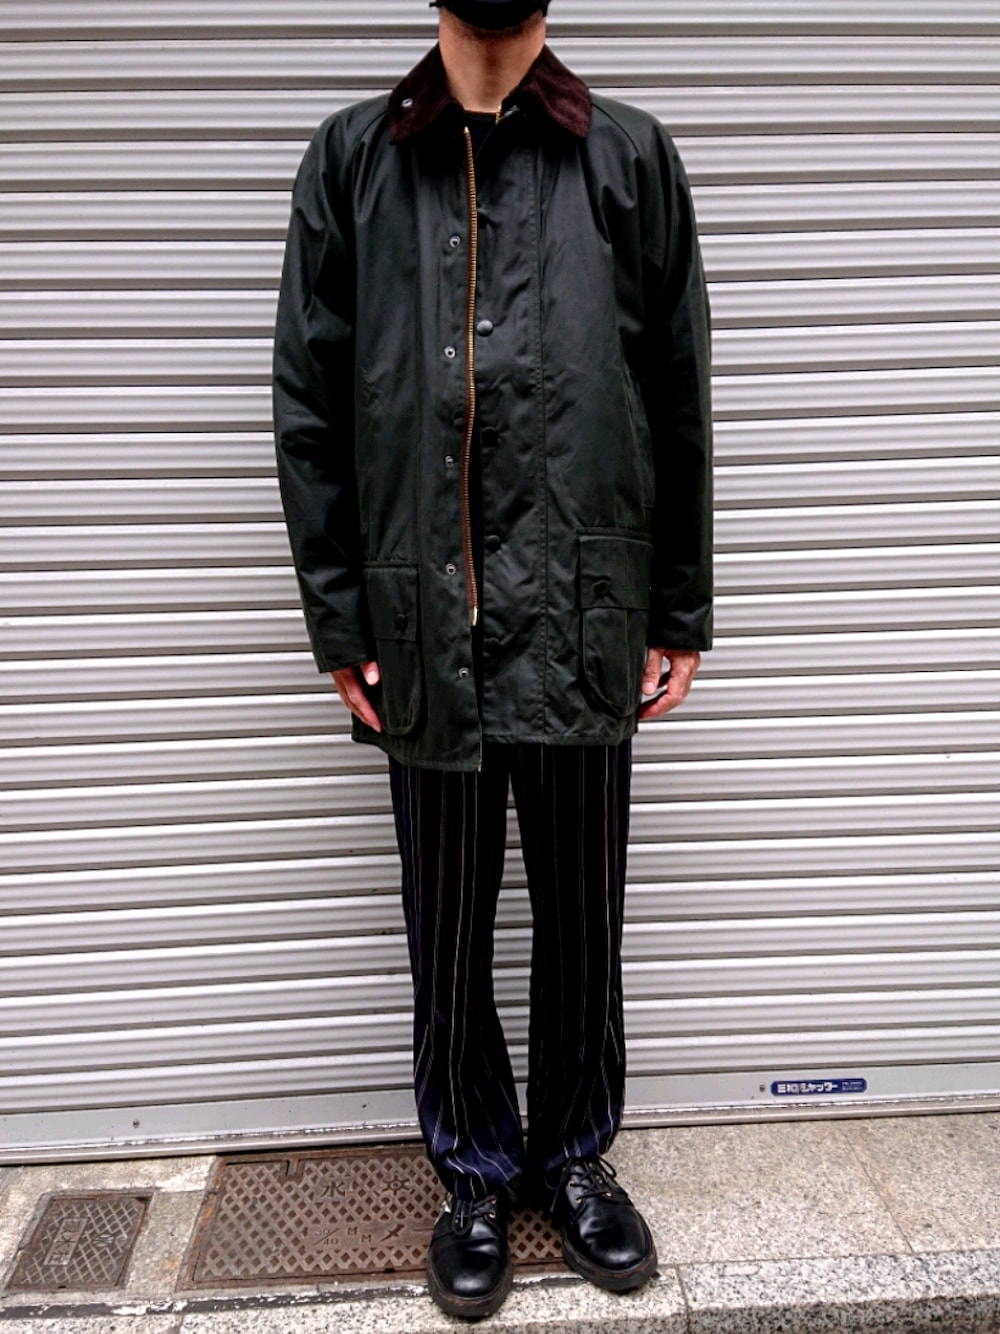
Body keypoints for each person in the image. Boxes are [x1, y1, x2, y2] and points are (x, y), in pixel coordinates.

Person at [273, 0, 712, 1319]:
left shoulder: (626, 157)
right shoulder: (355, 162)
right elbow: (310, 401)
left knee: (583, 918)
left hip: (583, 610)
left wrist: (678, 607)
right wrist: (342, 619)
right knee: (448, 925)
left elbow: (677, 389)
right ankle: (471, 1171)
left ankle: (573, 1156)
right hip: (427, 623)